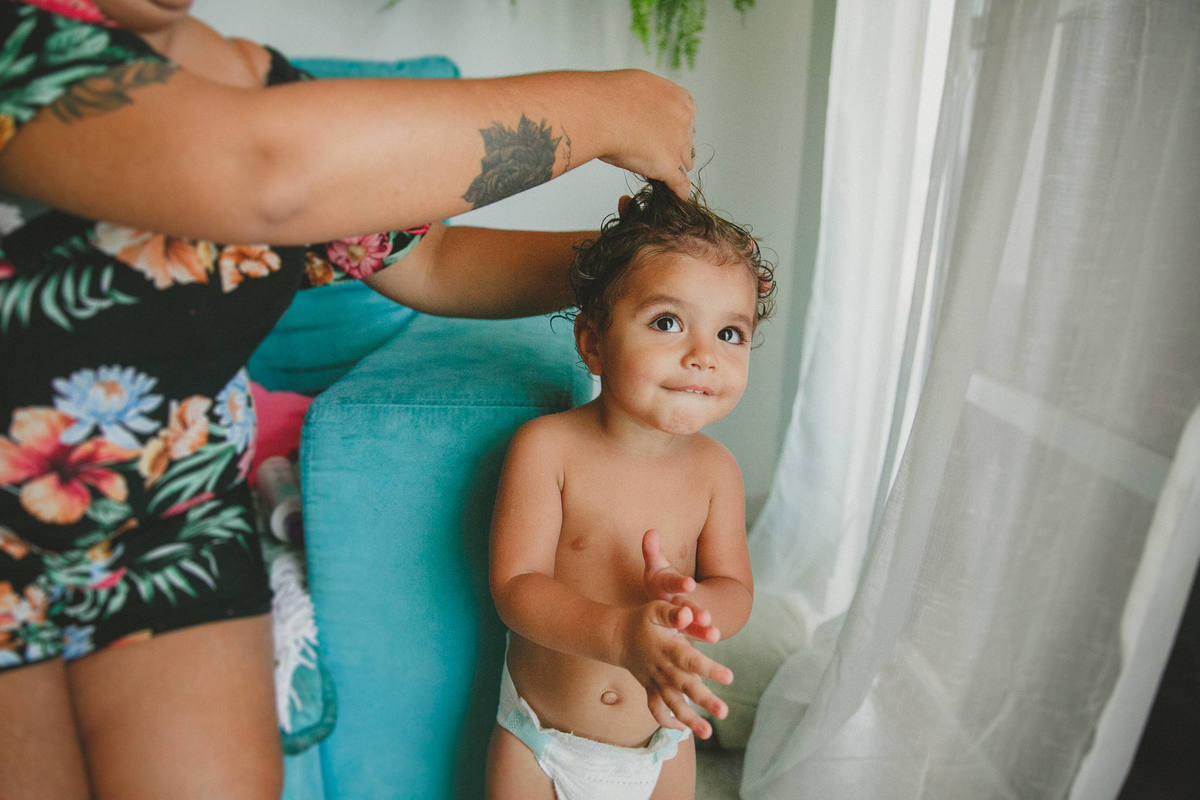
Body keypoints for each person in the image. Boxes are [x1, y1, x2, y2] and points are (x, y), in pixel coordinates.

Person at [0, 1, 698, 797]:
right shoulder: (20, 45)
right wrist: (608, 107)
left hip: (175, 516)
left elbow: (431, 261)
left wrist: (654, 275)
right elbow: (266, 172)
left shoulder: (250, 75)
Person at [486, 179, 775, 799]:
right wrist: (621, 634)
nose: (704, 356)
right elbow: (515, 588)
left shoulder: (716, 471)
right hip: (540, 741)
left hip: (660, 746)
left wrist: (693, 609)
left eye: (731, 334)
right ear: (593, 341)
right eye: (668, 322)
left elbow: (737, 590)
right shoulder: (548, 448)